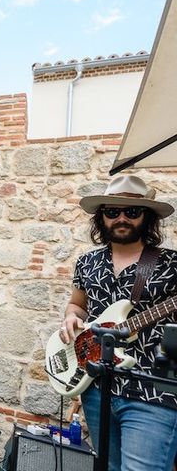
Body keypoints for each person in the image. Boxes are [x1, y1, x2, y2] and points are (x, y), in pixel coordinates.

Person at [60, 175, 177, 471]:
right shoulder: (88, 262)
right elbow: (77, 305)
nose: (121, 218)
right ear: (102, 218)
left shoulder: (172, 264)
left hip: (153, 392)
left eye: (132, 212)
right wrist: (72, 318)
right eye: (112, 212)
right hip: (97, 387)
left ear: (146, 217)